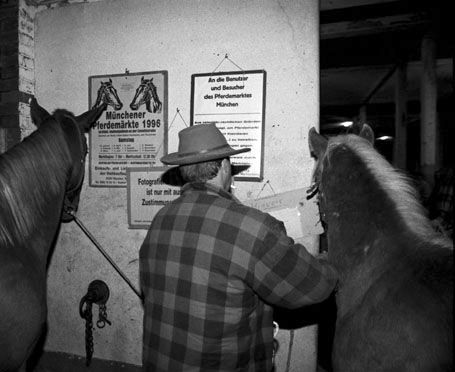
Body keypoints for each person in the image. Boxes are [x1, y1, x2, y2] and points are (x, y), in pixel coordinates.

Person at [139, 123, 338, 372]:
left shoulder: (160, 220)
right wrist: (332, 263)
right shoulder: (250, 227)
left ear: (184, 171)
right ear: (224, 166)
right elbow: (312, 286)